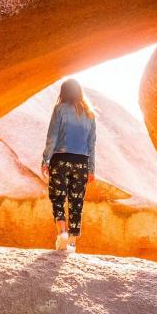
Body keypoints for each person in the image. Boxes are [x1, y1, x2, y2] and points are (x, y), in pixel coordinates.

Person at [41, 79, 98, 252]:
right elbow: (91, 144)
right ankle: (72, 243)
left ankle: (62, 234)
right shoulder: (89, 114)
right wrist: (91, 169)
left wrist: (46, 160)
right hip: (81, 162)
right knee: (76, 202)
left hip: (61, 159)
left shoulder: (60, 109)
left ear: (63, 92)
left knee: (57, 198)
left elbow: (52, 137)